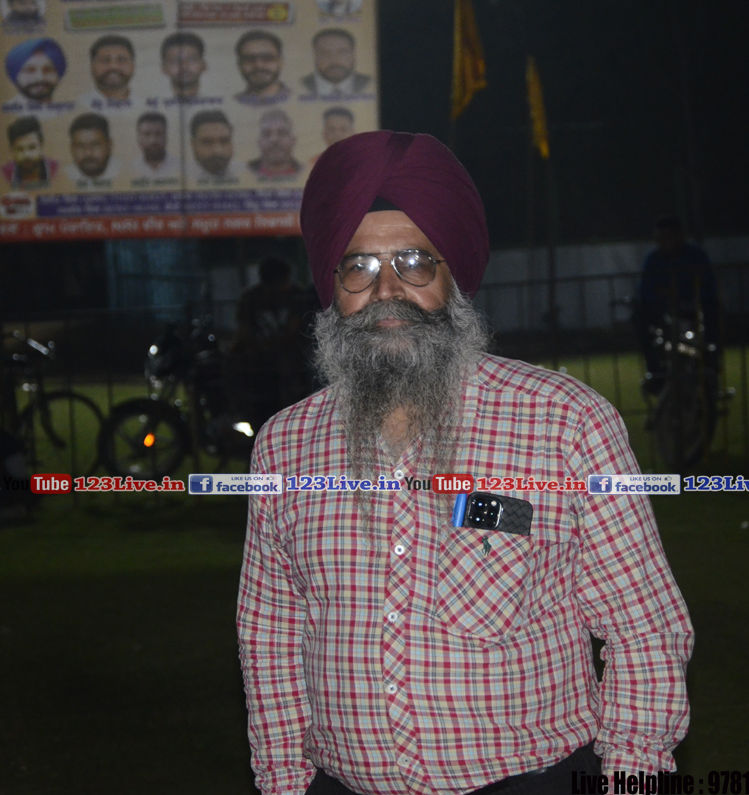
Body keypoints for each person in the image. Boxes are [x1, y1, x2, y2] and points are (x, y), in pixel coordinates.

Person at [237, 131, 694, 795]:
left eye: (415, 262)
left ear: (454, 278)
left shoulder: (565, 423)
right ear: (331, 287)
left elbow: (644, 628)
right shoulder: (284, 446)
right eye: (358, 266)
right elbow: (269, 637)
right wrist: (284, 782)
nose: (387, 289)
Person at [228, 257, 320, 431]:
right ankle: (238, 415)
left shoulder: (297, 297)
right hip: (261, 363)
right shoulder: (252, 299)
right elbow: (243, 333)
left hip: (290, 362)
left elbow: (294, 332)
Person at [634, 215, 721, 393]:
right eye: (658, 239)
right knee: (639, 318)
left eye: (666, 238)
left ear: (679, 236)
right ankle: (656, 372)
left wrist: (676, 292)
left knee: (714, 311)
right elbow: (646, 291)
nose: (661, 243)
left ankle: (711, 360)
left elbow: (707, 286)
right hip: (663, 309)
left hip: (692, 306)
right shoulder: (653, 258)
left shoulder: (695, 254)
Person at [300, 29, 372, 99]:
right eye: (325, 53)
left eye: (342, 52)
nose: (334, 60)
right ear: (315, 56)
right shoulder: (301, 84)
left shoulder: (370, 83)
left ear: (353, 55)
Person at [81, 35, 137, 110]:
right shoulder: (80, 105)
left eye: (121, 60)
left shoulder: (142, 106)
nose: (113, 66)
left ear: (132, 66)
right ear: (92, 66)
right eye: (105, 60)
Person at [234, 30, 290, 106]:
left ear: (280, 62)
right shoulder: (233, 102)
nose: (259, 65)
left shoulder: (294, 97)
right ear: (239, 64)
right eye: (249, 59)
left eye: (267, 58)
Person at [5, 38, 66, 105]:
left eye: (48, 70)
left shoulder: (64, 109)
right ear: (15, 76)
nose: (40, 78)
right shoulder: (7, 110)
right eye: (30, 71)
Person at [1, 116, 58, 188]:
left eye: (32, 148)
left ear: (41, 146)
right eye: (20, 149)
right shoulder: (4, 174)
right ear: (12, 151)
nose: (26, 155)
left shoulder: (55, 170)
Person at [189, 109, 242, 184]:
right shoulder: (181, 175)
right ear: (193, 145)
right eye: (207, 142)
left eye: (224, 141)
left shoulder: (246, 173)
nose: (217, 151)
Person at [67, 113, 119, 187]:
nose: (88, 153)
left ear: (109, 145)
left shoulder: (123, 172)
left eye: (95, 145)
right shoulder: (64, 175)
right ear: (72, 148)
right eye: (80, 146)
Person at [248, 109, 301, 180]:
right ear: (258, 142)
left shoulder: (305, 171)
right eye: (266, 134)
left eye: (282, 133)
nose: (274, 140)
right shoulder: (246, 171)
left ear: (293, 141)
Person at [130, 112, 180, 181]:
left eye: (158, 134)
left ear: (166, 136)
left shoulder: (179, 166)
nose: (153, 140)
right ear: (139, 138)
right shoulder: (131, 168)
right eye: (147, 134)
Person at [160, 31, 208, 102]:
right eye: (175, 61)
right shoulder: (154, 103)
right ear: (164, 68)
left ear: (204, 65)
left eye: (191, 59)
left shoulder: (219, 102)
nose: (184, 66)